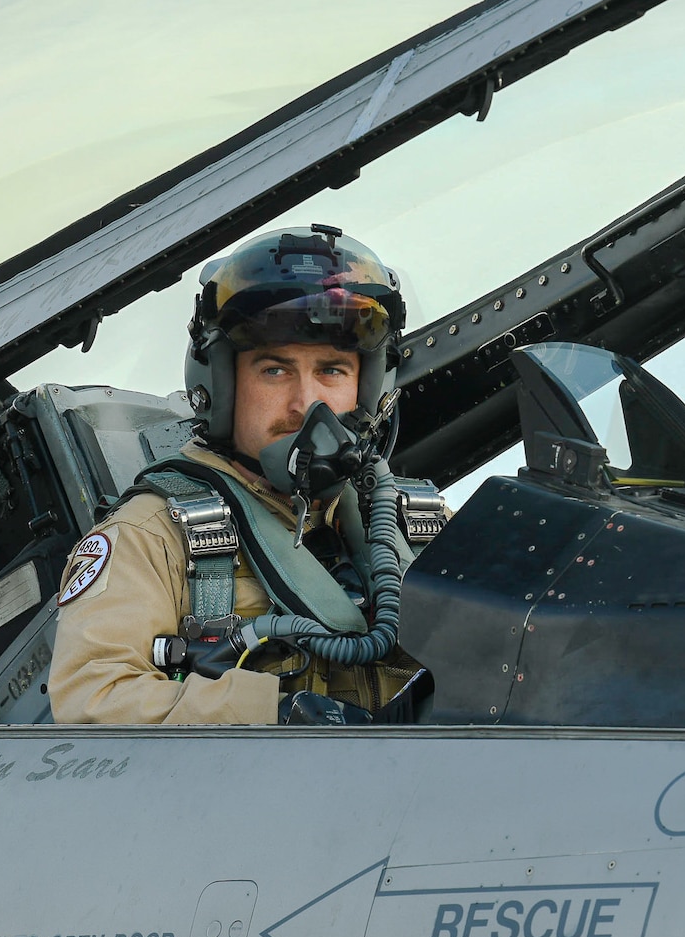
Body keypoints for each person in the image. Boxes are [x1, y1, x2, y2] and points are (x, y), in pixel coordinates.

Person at [47, 225, 440, 725]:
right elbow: (93, 701)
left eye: (332, 371)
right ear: (222, 385)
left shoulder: (418, 524)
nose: (305, 404)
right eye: (275, 371)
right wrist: (273, 720)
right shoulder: (151, 537)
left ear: (367, 387)